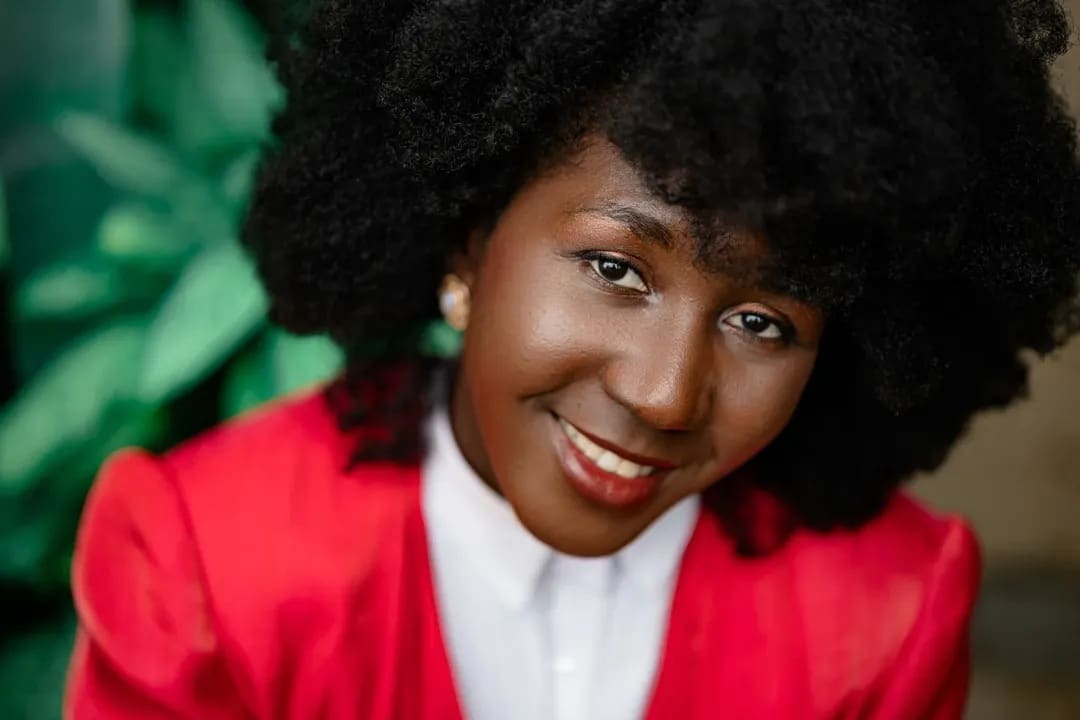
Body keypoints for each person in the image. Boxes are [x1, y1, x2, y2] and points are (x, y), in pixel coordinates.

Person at [64, 1, 1080, 718]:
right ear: (471, 241)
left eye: (762, 322)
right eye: (615, 267)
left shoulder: (888, 612)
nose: (665, 394)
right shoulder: (206, 569)